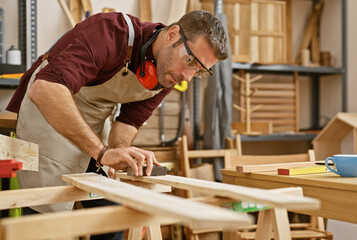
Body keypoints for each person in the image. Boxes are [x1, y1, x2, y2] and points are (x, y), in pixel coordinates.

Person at [7, 9, 228, 240]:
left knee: (113, 210)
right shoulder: (111, 33)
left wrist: (119, 150)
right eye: (189, 60)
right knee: (47, 221)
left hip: (91, 126)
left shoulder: (168, 73)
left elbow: (129, 121)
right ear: (172, 34)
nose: (187, 77)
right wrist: (102, 152)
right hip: (48, 116)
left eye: (200, 72)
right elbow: (46, 89)